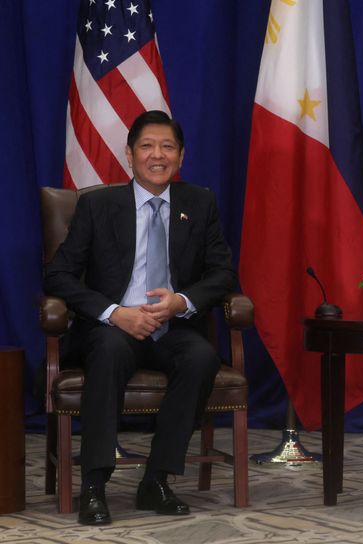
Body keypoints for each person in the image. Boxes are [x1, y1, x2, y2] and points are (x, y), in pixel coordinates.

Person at [44, 110, 237, 526]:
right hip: (113, 328)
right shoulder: (97, 205)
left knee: (201, 357)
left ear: (181, 157)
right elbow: (58, 274)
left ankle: (157, 479)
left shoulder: (199, 203)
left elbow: (222, 273)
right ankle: (94, 486)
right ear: (129, 154)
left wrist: (180, 301)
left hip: (173, 327)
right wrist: (116, 313)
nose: (157, 155)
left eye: (167, 147)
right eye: (147, 146)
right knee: (110, 350)